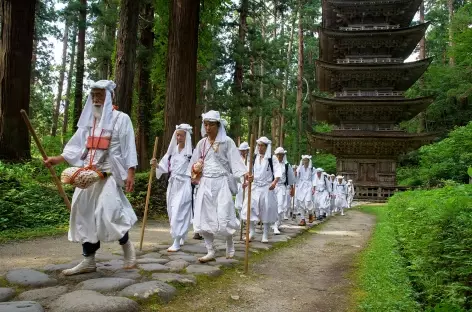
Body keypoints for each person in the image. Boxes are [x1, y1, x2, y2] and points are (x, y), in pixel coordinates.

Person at [44, 80, 138, 275]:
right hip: (87, 174)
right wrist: (58, 159)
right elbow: (76, 146)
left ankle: (127, 247)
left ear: (109, 97)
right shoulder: (89, 122)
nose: (96, 99)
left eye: (100, 95)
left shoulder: (121, 119)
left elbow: (129, 147)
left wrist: (131, 173)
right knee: (83, 214)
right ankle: (89, 260)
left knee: (109, 211)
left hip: (108, 174)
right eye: (93, 95)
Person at [189, 110, 248, 262]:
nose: (208, 128)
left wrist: (243, 176)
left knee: (224, 213)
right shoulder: (201, 144)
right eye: (206, 124)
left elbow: (235, 162)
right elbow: (194, 163)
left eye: (211, 125)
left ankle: (229, 242)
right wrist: (196, 168)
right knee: (204, 216)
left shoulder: (227, 142)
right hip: (205, 183)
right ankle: (210, 250)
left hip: (221, 182)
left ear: (218, 125)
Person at [151, 124, 193, 252]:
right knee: (171, 210)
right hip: (173, 184)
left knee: (179, 211)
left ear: (187, 136)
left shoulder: (191, 153)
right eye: (177, 135)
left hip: (184, 184)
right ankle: (180, 234)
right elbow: (163, 167)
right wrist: (156, 165)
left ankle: (176, 240)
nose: (179, 137)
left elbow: (196, 170)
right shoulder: (172, 152)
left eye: (181, 135)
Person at [242, 137, 281, 243]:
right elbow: (249, 172)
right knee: (249, 208)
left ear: (266, 147)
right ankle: (252, 232)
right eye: (258, 145)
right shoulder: (254, 158)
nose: (260, 148)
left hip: (266, 187)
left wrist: (274, 182)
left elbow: (277, 171)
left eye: (262, 145)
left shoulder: (271, 158)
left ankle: (265, 234)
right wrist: (248, 178)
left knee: (266, 210)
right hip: (255, 186)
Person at [272, 147, 294, 234]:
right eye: (278, 155)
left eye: (281, 155)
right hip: (272, 187)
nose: (279, 157)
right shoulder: (272, 164)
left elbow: (291, 178)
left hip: (281, 187)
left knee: (280, 206)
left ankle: (276, 225)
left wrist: (292, 188)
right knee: (272, 206)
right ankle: (274, 223)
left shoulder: (286, 165)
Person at [296, 155, 314, 226]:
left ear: (309, 161)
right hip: (301, 186)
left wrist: (314, 187)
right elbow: (296, 176)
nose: (305, 161)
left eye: (306, 160)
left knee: (308, 202)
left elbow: (314, 179)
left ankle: (310, 214)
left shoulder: (312, 169)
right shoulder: (300, 168)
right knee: (301, 202)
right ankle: (303, 219)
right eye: (304, 160)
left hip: (309, 186)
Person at [235, 142, 250, 214]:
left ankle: (246, 220)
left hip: (249, 184)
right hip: (240, 183)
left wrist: (247, 182)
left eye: (244, 150)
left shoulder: (251, 161)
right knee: (239, 203)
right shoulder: (238, 161)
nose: (242, 152)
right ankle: (241, 221)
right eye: (241, 150)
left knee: (247, 203)